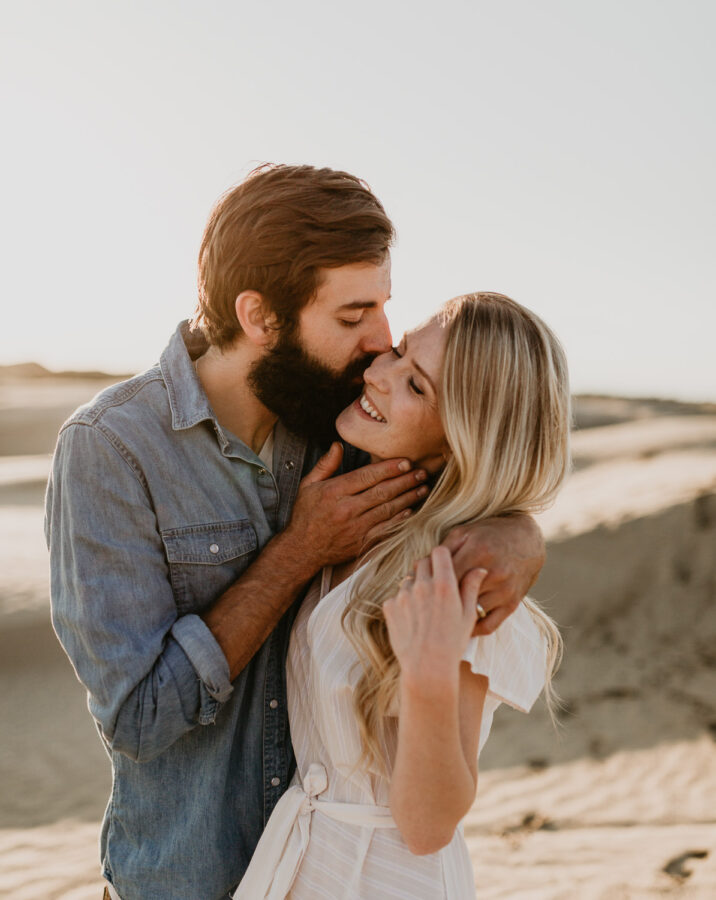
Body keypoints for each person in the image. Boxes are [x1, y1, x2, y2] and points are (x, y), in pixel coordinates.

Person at [45, 165, 546, 900]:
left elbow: (471, 458)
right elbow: (140, 717)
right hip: (193, 877)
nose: (380, 344)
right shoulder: (112, 451)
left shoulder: (337, 416)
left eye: (384, 308)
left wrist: (517, 535)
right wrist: (299, 551)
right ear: (261, 319)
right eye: (352, 316)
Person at [234, 292, 570, 899]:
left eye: (416, 386)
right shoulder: (360, 519)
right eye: (399, 351)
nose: (378, 374)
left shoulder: (458, 580)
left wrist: (430, 671)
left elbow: (428, 825)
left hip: (383, 878)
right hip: (304, 862)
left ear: (461, 441)